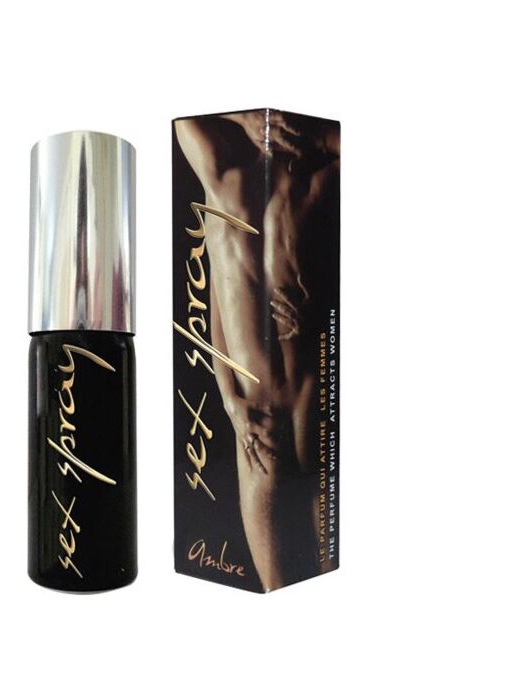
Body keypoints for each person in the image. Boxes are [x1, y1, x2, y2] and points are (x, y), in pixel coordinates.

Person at [175, 110, 340, 590]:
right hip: (258, 424)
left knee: (333, 584)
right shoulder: (221, 164)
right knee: (276, 588)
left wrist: (312, 134)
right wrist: (229, 399)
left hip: (314, 405)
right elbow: (219, 288)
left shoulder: (313, 166)